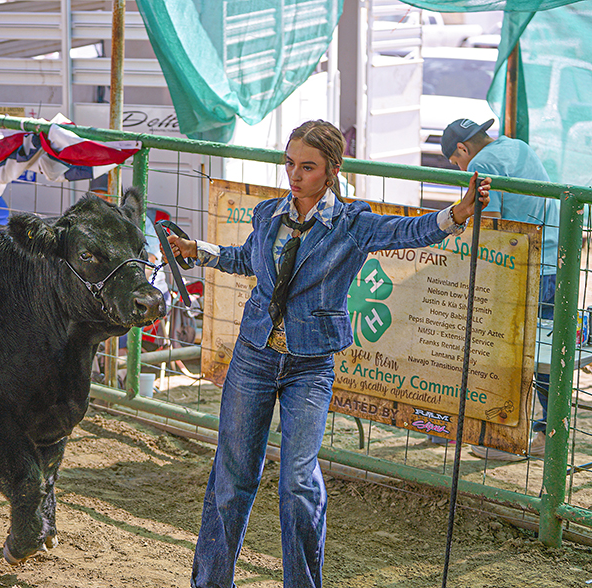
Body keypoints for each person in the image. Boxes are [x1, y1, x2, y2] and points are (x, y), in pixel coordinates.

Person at [165, 120, 490, 588]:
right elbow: (250, 260)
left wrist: (457, 214)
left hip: (310, 364)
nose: (294, 175)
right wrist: (200, 250)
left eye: (308, 167)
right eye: (290, 164)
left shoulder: (353, 223)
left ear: (332, 170)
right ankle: (211, 583)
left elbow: (410, 231)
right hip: (253, 355)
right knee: (231, 477)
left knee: (298, 481)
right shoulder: (268, 214)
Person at [441, 117, 557, 462]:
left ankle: (504, 438)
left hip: (520, 267)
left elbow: (489, 227)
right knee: (546, 354)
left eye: (456, 162)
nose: (462, 169)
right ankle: (549, 434)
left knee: (506, 354)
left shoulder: (482, 165)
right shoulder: (517, 147)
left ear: (463, 149)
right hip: (554, 259)